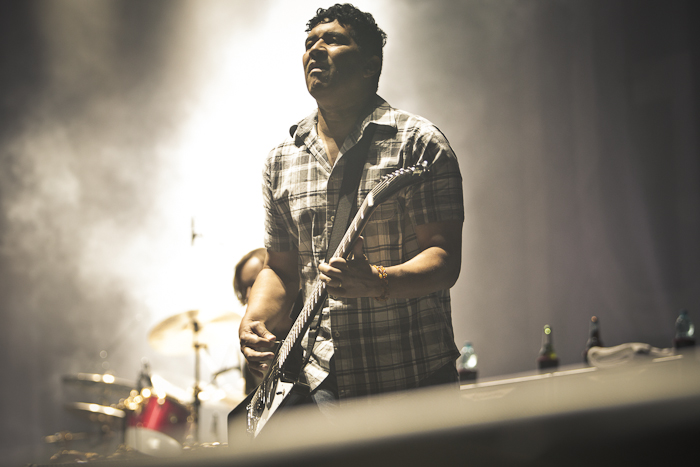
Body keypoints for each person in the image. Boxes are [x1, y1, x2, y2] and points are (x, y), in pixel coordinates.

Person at [238, 3, 464, 410]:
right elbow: (281, 269)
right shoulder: (282, 159)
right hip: (325, 382)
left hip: (413, 374)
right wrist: (254, 319)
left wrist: (378, 280)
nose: (315, 49)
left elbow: (444, 259)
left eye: (333, 40)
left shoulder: (418, 143)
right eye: (310, 42)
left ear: (369, 65)